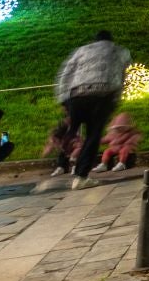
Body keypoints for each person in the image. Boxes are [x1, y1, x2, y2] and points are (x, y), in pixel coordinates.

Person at [49, 29, 131, 188]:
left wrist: (63, 98)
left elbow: (65, 73)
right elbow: (122, 76)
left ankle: (68, 136)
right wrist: (116, 98)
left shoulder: (81, 50)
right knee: (93, 135)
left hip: (77, 94)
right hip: (103, 95)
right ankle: (80, 177)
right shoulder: (121, 51)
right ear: (111, 39)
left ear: (95, 40)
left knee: (75, 125)